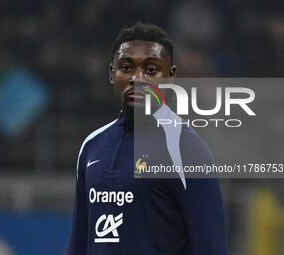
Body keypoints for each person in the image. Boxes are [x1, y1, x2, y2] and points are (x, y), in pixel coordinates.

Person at [67, 22, 226, 255]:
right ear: (112, 74)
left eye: (151, 70)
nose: (137, 78)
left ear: (170, 76)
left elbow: (212, 248)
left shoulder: (186, 148)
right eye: (126, 67)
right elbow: (79, 244)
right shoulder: (91, 146)